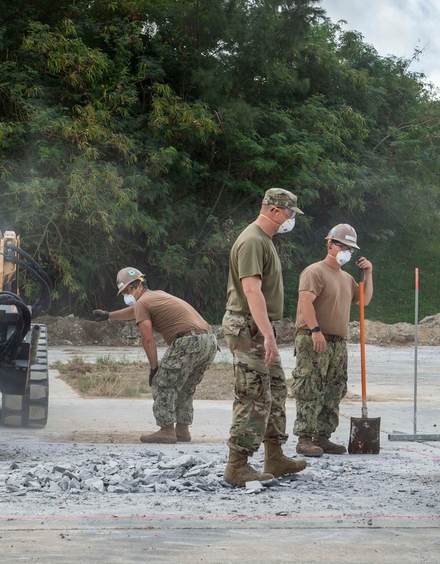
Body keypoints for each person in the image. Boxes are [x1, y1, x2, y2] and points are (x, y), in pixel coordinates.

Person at [221, 188, 308, 487]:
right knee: (253, 394)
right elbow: (251, 290)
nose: (290, 220)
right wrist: (268, 336)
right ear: (273, 210)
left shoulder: (264, 241)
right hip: (247, 328)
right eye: (289, 214)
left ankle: (275, 457)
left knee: (276, 390)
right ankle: (237, 466)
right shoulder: (252, 240)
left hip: (257, 328)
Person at [92, 268, 218, 444]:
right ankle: (182, 429)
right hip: (209, 341)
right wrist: (108, 316)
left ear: (140, 285)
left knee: (162, 383)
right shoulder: (156, 296)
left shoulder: (144, 302)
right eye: (125, 292)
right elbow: (135, 311)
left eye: (129, 290)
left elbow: (148, 339)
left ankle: (166, 430)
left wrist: (154, 368)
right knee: (185, 386)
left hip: (188, 341)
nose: (128, 295)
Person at [291, 224, 373, 457]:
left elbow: (364, 301)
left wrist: (368, 274)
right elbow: (305, 302)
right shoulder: (314, 272)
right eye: (342, 246)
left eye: (350, 248)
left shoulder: (346, 278)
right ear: (330, 245)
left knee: (334, 389)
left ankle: (322, 436)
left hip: (338, 342)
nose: (346, 251)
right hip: (314, 337)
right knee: (310, 387)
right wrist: (315, 330)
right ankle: (305, 438)